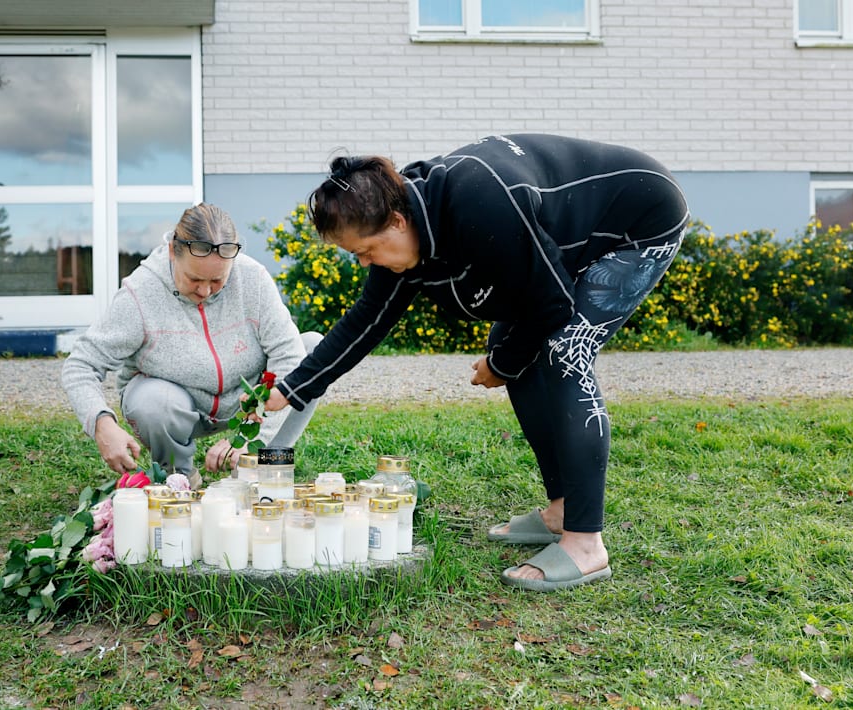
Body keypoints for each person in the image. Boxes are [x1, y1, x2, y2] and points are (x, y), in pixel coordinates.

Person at [261, 134, 689, 591]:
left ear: (398, 220)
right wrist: (292, 389)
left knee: (564, 351)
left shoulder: (477, 203)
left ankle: (586, 543)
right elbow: (366, 321)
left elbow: (553, 305)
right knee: (517, 345)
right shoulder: (406, 235)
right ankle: (563, 509)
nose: (367, 262)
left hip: (639, 219)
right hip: (572, 234)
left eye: (367, 250)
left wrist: (501, 365)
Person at [62, 203, 322, 484]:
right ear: (173, 251)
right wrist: (102, 423)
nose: (205, 291)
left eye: (218, 280)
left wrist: (255, 437)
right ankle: (179, 477)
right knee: (152, 402)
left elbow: (289, 356)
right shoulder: (140, 293)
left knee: (312, 351)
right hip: (177, 405)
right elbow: (80, 365)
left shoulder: (253, 279)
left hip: (246, 403)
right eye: (194, 278)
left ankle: (262, 463)